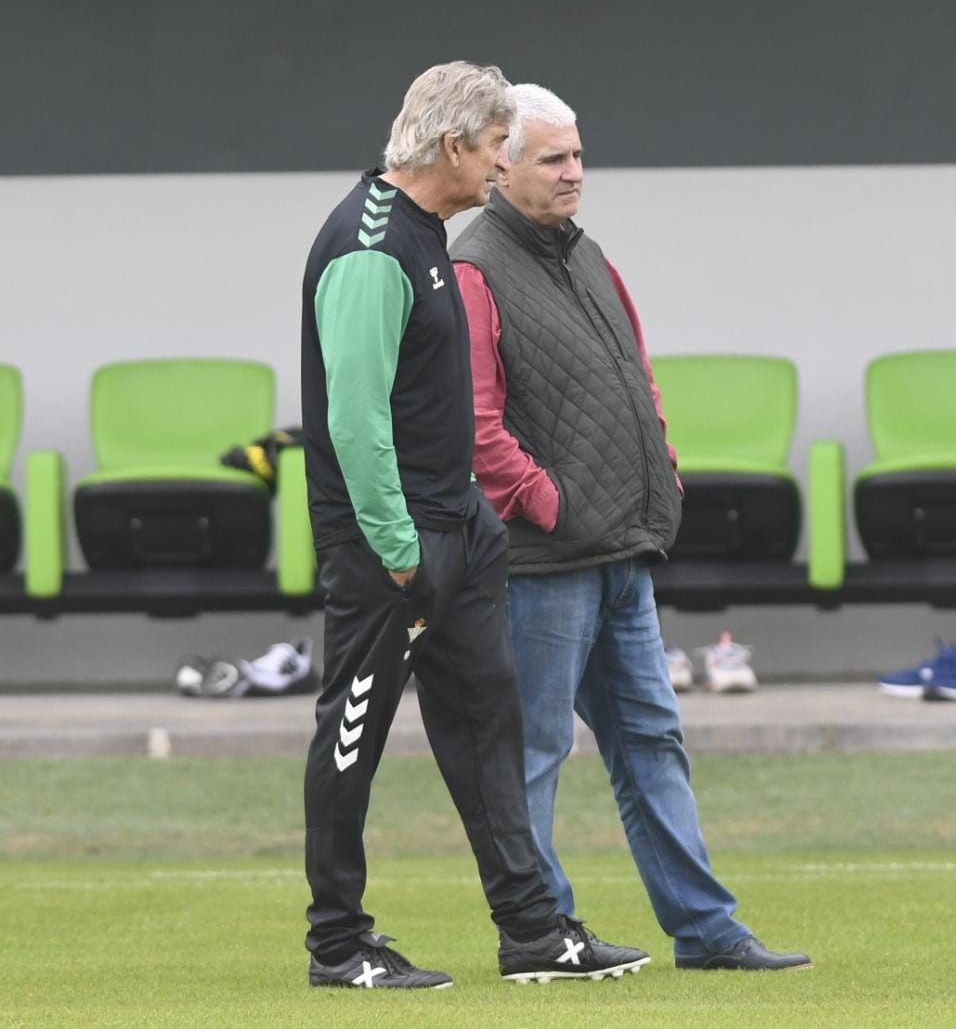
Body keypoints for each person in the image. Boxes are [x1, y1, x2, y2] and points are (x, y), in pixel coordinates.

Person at [300, 62, 648, 989]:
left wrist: (467, 530)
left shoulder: (427, 234)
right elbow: (355, 419)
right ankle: (337, 945)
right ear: (452, 146)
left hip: (458, 533)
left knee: (490, 730)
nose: (503, 166)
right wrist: (402, 550)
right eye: (497, 147)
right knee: (354, 739)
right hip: (391, 551)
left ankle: (533, 931)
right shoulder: (371, 246)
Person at [451, 83, 811, 971]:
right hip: (543, 562)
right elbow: (474, 425)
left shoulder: (588, 255)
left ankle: (708, 930)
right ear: (504, 165)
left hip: (621, 551)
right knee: (535, 752)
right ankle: (540, 932)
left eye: (578, 155)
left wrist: (664, 469)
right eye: (554, 159)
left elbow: (635, 377)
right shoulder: (473, 269)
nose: (576, 173)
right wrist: (550, 504)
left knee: (653, 741)